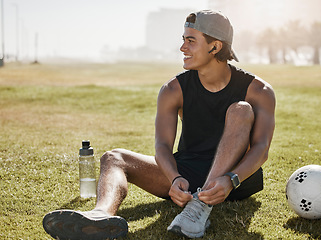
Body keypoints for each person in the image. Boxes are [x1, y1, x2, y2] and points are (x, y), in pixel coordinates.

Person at [43, 10, 275, 239]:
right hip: (186, 177)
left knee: (240, 109)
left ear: (215, 47)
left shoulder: (258, 91)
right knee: (113, 158)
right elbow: (163, 146)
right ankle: (100, 216)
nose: (183, 48)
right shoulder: (173, 90)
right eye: (183, 40)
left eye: (191, 41)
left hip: (235, 181)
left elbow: (261, 148)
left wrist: (230, 179)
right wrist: (174, 178)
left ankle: (199, 208)